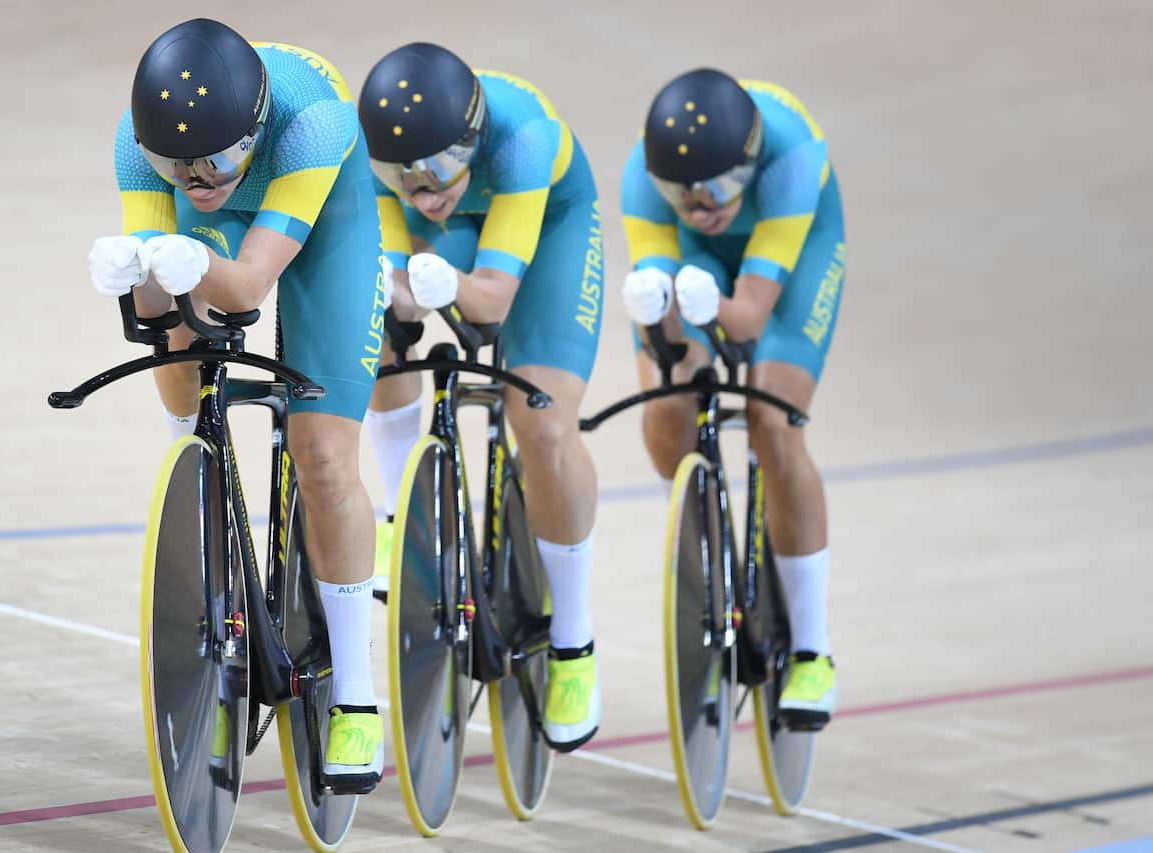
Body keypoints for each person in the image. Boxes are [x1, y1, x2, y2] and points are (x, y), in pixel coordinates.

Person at [86, 18, 386, 783]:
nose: (197, 180)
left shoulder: (313, 125)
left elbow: (247, 287)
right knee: (178, 341)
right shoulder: (141, 143)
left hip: (328, 219)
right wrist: (137, 270)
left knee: (324, 457)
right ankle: (195, 466)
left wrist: (186, 258)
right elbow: (156, 317)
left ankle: (357, 696)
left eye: (215, 162)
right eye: (175, 167)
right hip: (226, 219)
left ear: (251, 131)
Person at [357, 42, 604, 751]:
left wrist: (448, 284)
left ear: (470, 142)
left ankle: (575, 640)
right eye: (401, 177)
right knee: (378, 325)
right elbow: (394, 277)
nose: (421, 190)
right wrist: (399, 289)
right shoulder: (388, 161)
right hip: (455, 235)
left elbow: (490, 304)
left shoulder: (525, 138)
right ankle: (401, 511)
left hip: (547, 231)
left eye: (436, 170)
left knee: (543, 423)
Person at [620, 68, 845, 729]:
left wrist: (712, 306)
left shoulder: (792, 158)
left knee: (774, 421)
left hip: (790, 262)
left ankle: (812, 650)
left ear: (748, 164)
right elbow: (666, 337)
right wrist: (659, 314)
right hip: (697, 264)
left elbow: (746, 319)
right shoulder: (642, 176)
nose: (701, 207)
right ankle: (699, 528)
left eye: (718, 189)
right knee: (668, 398)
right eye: (682, 196)